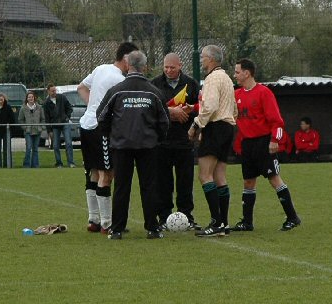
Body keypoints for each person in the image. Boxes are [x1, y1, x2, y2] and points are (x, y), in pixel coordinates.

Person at [97, 50, 170, 240]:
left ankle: (117, 229)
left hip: (121, 146)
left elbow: (101, 116)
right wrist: (157, 138)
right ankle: (152, 228)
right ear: (145, 67)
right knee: (149, 186)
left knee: (122, 187)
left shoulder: (117, 90)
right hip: (148, 146)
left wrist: (112, 134)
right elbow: (164, 121)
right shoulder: (154, 91)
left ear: (128, 65)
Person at [231, 58, 301, 232]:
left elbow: (277, 122)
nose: (235, 75)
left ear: (247, 73)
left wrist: (274, 140)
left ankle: (293, 217)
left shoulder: (264, 93)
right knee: (248, 182)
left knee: (274, 179)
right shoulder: (236, 95)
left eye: (237, 72)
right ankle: (247, 222)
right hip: (247, 145)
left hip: (264, 143)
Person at [77, 41, 138, 234]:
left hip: (86, 124)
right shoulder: (118, 79)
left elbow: (81, 87)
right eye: (134, 60)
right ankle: (107, 223)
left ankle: (94, 219)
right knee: (107, 174)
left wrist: (92, 107)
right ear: (126, 59)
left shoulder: (101, 68)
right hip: (99, 129)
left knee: (93, 172)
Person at [188, 45, 237, 237]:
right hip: (227, 127)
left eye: (203, 57)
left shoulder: (212, 78)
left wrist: (196, 124)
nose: (201, 60)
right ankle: (223, 223)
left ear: (211, 59)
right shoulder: (226, 78)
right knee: (220, 177)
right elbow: (233, 109)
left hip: (215, 127)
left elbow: (209, 105)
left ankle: (216, 222)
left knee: (205, 175)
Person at [151, 53, 200, 230]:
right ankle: (164, 217)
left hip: (184, 141)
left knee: (185, 183)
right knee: (163, 183)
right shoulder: (155, 84)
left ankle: (187, 216)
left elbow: (199, 108)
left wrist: (187, 113)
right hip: (161, 143)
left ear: (180, 66)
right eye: (166, 67)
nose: (169, 71)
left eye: (172, 67)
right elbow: (151, 110)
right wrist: (170, 112)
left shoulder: (192, 84)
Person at [43, 83, 76, 168]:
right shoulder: (46, 103)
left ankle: (71, 162)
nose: (54, 92)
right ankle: (59, 163)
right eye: (52, 91)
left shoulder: (62, 97)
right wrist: (49, 131)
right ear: (48, 91)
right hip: (55, 126)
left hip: (64, 123)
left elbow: (69, 108)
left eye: (55, 90)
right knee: (55, 145)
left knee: (68, 143)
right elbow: (47, 118)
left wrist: (67, 117)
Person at [17, 91, 45, 168]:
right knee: (28, 148)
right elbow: (20, 120)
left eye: (32, 97)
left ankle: (35, 165)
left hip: (37, 131)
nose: (31, 98)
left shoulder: (39, 107)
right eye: (29, 97)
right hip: (28, 131)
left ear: (34, 98)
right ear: (27, 98)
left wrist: (41, 127)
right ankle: (26, 165)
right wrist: (25, 128)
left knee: (35, 149)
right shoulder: (23, 108)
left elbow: (43, 119)